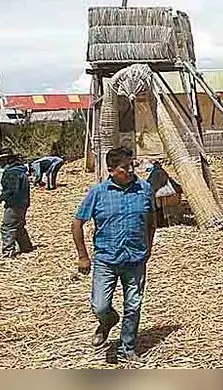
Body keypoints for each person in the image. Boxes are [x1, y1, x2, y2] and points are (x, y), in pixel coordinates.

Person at [72, 146, 156, 363]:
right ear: (111, 170)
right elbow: (77, 223)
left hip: (135, 259)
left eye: (132, 165)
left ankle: (127, 347)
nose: (130, 170)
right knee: (99, 305)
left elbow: (151, 222)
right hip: (106, 260)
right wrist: (83, 256)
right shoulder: (98, 193)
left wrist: (148, 247)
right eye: (124, 167)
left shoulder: (145, 189)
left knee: (133, 306)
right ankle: (108, 320)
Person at [0, 148, 33, 258]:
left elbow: (12, 190)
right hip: (23, 203)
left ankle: (8, 253)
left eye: (1, 160)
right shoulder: (20, 170)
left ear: (7, 159)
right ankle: (26, 247)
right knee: (19, 226)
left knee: (7, 227)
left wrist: (1, 197)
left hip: (14, 204)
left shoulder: (11, 172)